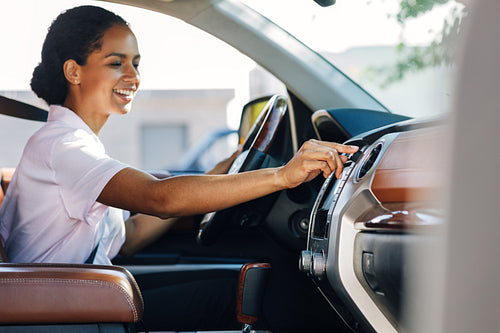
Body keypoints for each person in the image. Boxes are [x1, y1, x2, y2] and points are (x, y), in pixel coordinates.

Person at [0, 5, 358, 331]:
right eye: (115, 62)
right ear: (73, 71)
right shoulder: (63, 147)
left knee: (249, 282)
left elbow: (133, 236)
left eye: (136, 63)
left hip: (80, 298)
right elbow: (160, 199)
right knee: (269, 291)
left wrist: (219, 173)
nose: (133, 76)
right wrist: (282, 176)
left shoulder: (73, 143)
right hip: (59, 313)